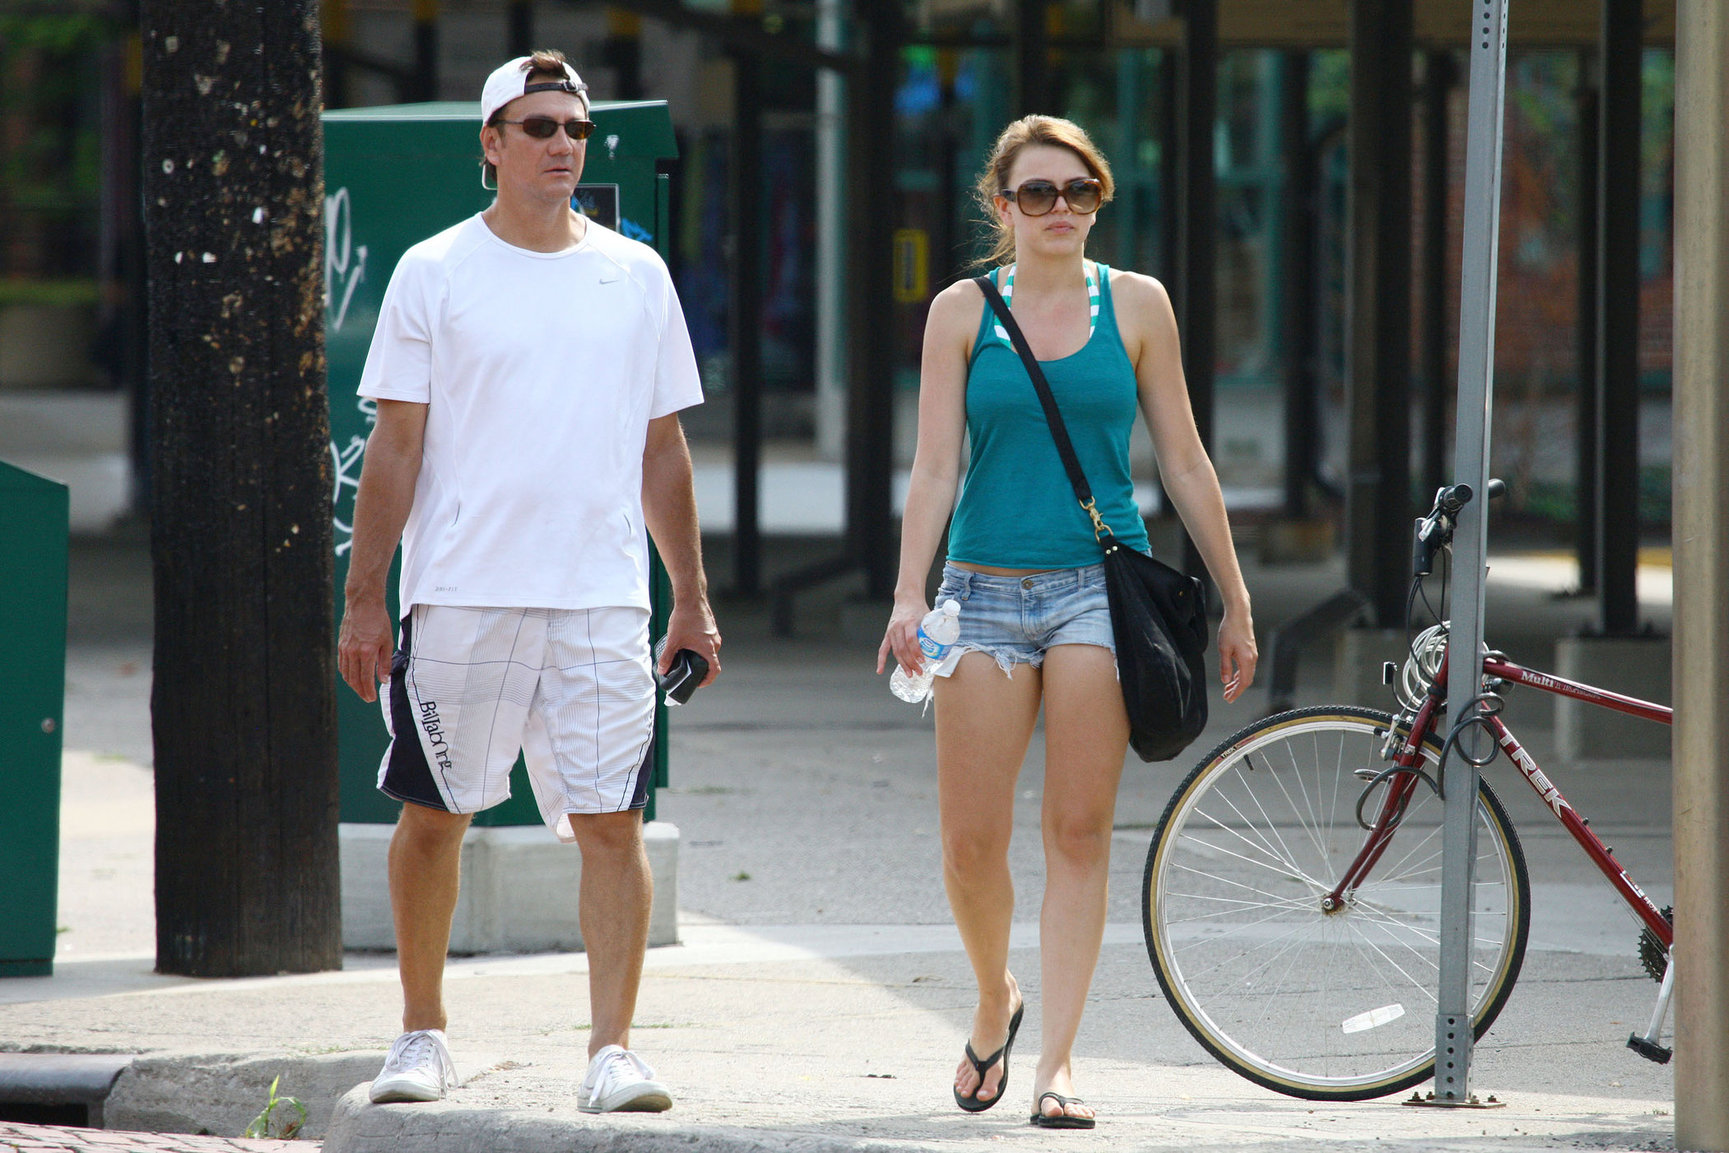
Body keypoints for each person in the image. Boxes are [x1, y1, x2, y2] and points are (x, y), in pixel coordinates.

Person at [337, 50, 720, 1115]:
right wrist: (366, 596)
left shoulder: (634, 274)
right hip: (460, 591)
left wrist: (689, 594)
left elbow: (663, 450)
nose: (562, 145)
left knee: (612, 822)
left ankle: (614, 1051)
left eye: (574, 130)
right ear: (491, 144)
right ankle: (420, 1032)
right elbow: (395, 450)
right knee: (434, 813)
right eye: (538, 126)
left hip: (601, 597)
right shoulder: (434, 269)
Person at [877, 115, 1257, 1130]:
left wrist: (1233, 596)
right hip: (980, 595)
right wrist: (909, 590)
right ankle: (995, 991)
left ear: (1098, 199)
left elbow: (1182, 459)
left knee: (1078, 831)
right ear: (1001, 205)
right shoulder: (963, 311)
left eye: (1077, 190)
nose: (1059, 209)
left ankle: (1058, 1062)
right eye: (1036, 192)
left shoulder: (1137, 305)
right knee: (970, 843)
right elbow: (931, 466)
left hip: (1101, 588)